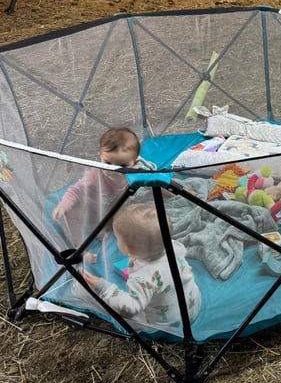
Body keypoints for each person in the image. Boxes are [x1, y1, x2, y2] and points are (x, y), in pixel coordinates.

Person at [82, 203, 201, 334]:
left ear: (129, 249)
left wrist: (104, 288)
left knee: (120, 313)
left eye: (117, 239)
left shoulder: (143, 277)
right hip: (192, 305)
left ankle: (81, 293)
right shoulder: (174, 246)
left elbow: (131, 308)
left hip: (169, 324)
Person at [52, 127, 154, 262]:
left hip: (118, 208)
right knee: (71, 215)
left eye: (122, 165)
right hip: (94, 211)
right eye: (108, 163)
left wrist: (169, 191)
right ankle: (80, 250)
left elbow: (152, 182)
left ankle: (110, 230)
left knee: (141, 219)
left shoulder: (136, 170)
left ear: (134, 163)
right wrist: (63, 205)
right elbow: (76, 190)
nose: (113, 170)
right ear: (100, 156)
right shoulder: (95, 176)